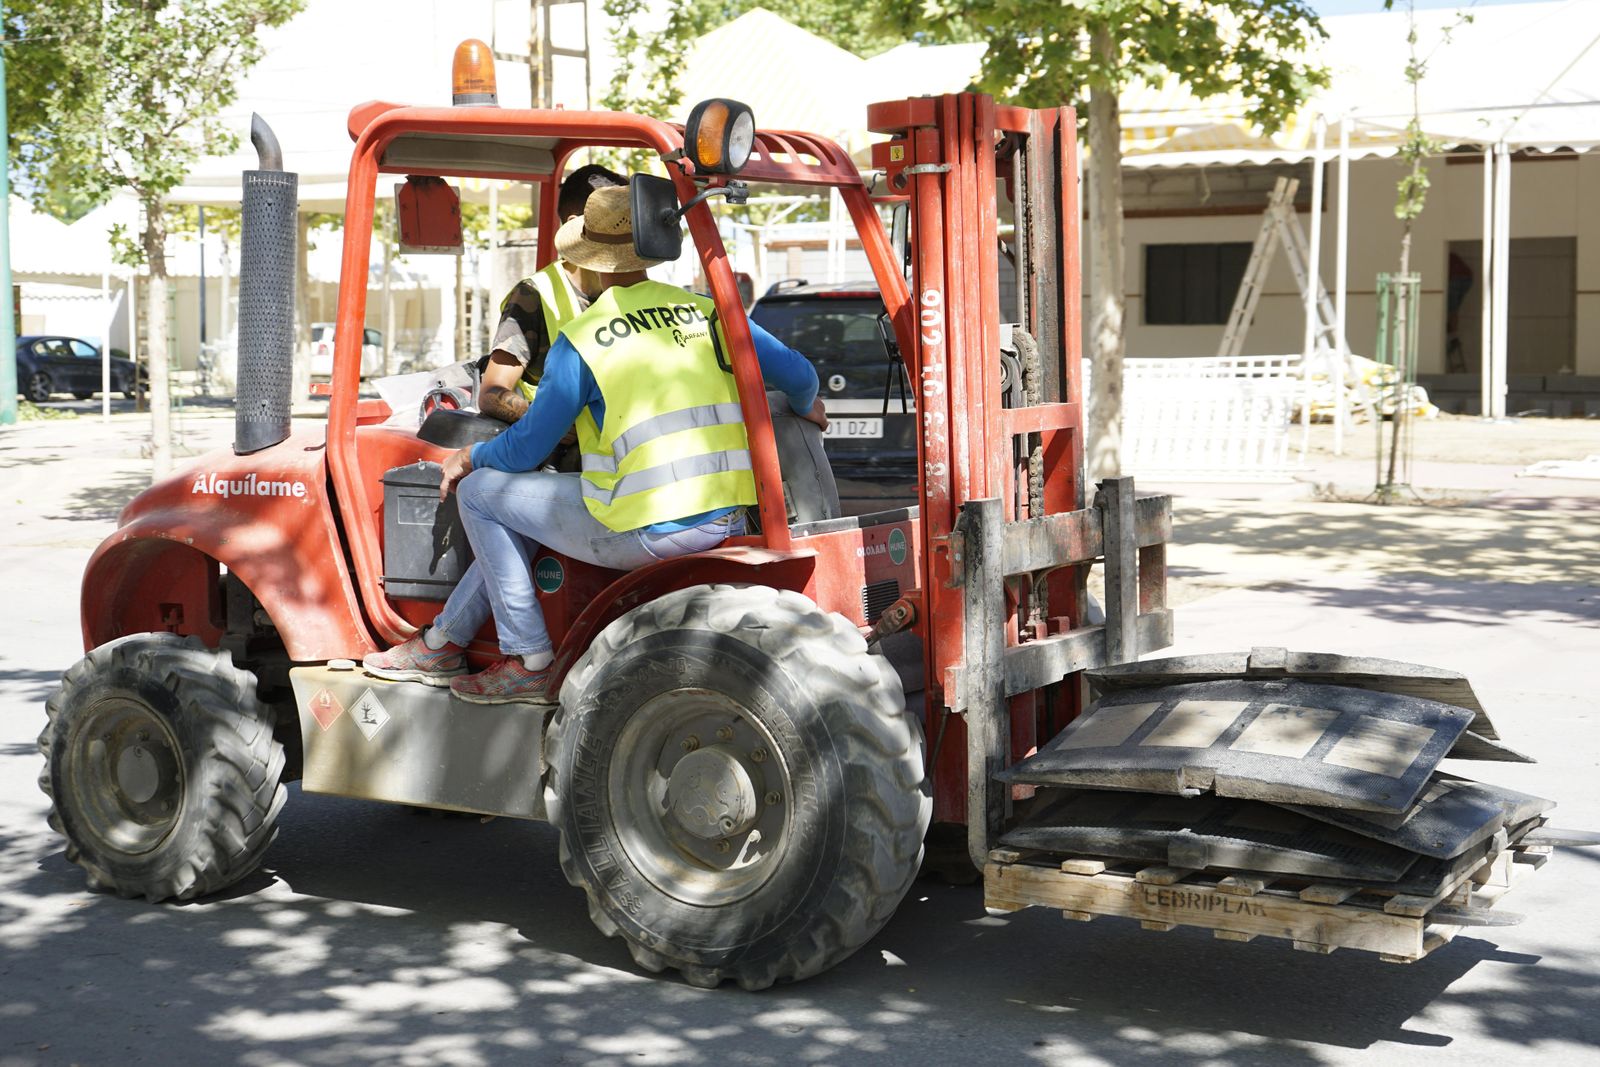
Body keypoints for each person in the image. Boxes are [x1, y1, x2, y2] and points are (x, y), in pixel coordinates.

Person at [365, 184, 826, 704]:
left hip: (643, 526)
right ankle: (443, 641)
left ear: (592, 260)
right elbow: (801, 375)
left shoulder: (583, 338)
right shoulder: (709, 312)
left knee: (481, 494)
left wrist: (470, 456)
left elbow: (524, 451)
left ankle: (527, 659)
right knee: (532, 505)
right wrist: (808, 403)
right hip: (723, 517)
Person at [478, 164, 627, 425]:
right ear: (577, 226)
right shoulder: (534, 296)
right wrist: (553, 420)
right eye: (615, 221)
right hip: (562, 458)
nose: (625, 230)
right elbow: (492, 394)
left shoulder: (630, 286)